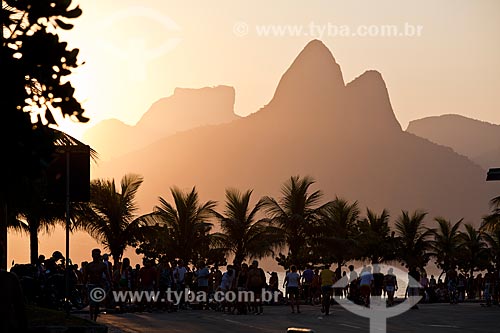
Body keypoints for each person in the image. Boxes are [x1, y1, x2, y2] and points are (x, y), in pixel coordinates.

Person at [83, 249, 111, 321]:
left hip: (99, 285)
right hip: (91, 285)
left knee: (97, 303)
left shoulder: (103, 265)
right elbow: (85, 277)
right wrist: (84, 285)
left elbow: (107, 275)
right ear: (92, 255)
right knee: (92, 303)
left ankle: (94, 319)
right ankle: (91, 318)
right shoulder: (89, 266)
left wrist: (110, 283)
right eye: (95, 255)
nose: (96, 256)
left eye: (98, 255)